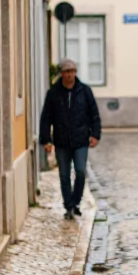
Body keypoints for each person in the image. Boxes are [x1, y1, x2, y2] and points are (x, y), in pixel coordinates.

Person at [40, 59, 101, 219]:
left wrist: (95, 134)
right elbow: (46, 118)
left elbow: (94, 114)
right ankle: (69, 206)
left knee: (80, 172)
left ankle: (75, 202)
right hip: (61, 141)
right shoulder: (53, 93)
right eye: (67, 72)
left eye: (72, 71)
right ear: (61, 74)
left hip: (81, 140)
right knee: (64, 175)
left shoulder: (85, 91)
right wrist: (46, 140)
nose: (70, 75)